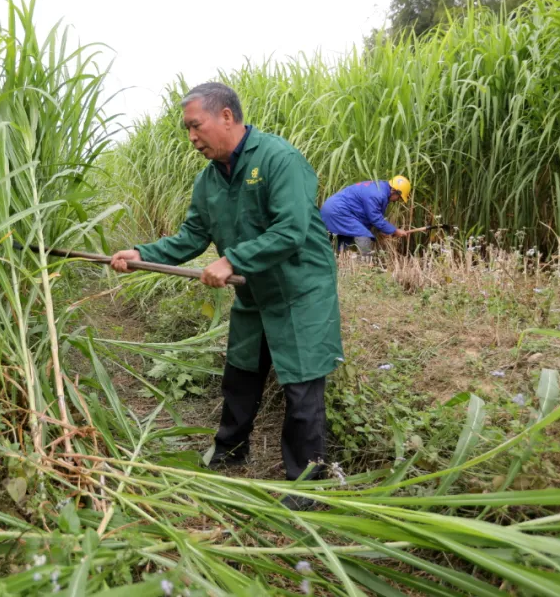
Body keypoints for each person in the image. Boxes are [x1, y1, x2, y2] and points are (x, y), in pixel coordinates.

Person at [109, 82, 344, 510]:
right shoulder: (208, 181)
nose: (192, 138)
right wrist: (142, 253)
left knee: (302, 390)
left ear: (227, 117)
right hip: (254, 294)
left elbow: (290, 231)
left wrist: (232, 260)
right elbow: (191, 237)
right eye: (187, 129)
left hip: (299, 293)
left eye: (195, 126)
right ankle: (230, 454)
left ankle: (307, 484)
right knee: (240, 376)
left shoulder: (279, 160)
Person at [319, 177, 412, 257]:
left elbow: (369, 217)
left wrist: (383, 231)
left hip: (334, 209)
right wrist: (395, 231)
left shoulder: (379, 189)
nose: (397, 200)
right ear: (394, 191)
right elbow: (375, 218)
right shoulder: (378, 194)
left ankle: (339, 261)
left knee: (344, 241)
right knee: (363, 235)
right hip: (338, 211)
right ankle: (366, 266)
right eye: (399, 198)